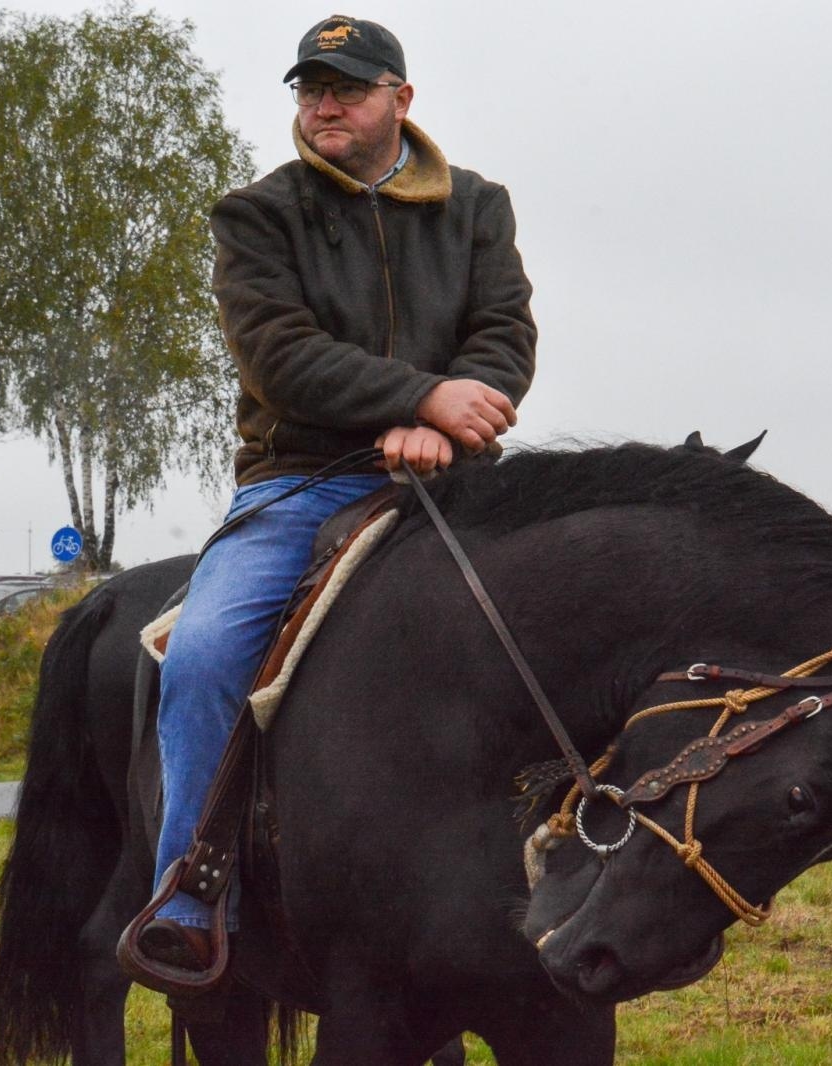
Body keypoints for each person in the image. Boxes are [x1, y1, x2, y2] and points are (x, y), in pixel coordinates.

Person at [131, 13, 537, 974]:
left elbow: (505, 337)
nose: (323, 106)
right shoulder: (258, 215)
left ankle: (579, 860)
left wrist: (438, 423)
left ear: (401, 98)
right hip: (302, 482)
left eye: (346, 88)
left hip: (457, 482)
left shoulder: (478, 207)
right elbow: (278, 356)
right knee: (203, 652)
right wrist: (413, 396)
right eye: (310, 90)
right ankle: (191, 893)